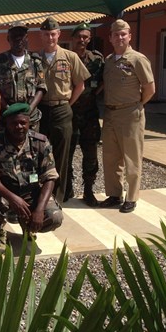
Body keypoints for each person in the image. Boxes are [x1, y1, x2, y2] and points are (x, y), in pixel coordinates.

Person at [0, 103, 63, 251]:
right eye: (14, 123)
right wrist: (13, 199)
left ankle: (28, 227)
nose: (19, 126)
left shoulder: (40, 142)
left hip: (31, 193)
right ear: (6, 124)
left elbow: (50, 177)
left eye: (22, 123)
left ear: (29, 122)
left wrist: (39, 210)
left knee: (55, 217)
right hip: (5, 193)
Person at [100, 19, 155, 213]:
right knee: (111, 156)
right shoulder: (108, 61)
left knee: (132, 157)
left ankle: (131, 198)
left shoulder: (138, 59)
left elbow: (150, 88)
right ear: (111, 38)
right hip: (110, 113)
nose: (120, 37)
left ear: (129, 36)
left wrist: (138, 104)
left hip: (130, 113)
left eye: (123, 34)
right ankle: (114, 194)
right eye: (116, 34)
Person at [38, 17, 90, 204]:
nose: (50, 38)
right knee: (40, 153)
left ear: (58, 34)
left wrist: (68, 103)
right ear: (41, 36)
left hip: (62, 109)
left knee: (61, 156)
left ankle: (57, 198)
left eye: (53, 34)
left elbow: (80, 85)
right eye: (46, 34)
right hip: (42, 110)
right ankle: (40, 194)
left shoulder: (70, 57)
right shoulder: (36, 58)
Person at [65, 22, 104, 206]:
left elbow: (104, 80)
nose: (82, 40)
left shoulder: (97, 59)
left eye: (85, 37)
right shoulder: (65, 58)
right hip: (69, 113)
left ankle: (88, 190)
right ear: (72, 38)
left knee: (90, 154)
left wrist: (94, 93)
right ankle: (67, 188)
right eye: (79, 36)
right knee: (67, 153)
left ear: (89, 39)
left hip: (89, 114)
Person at [0, 22, 47, 133]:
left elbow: (41, 88)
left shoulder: (35, 61)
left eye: (21, 36)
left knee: (32, 149)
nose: (18, 40)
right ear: (8, 39)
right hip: (7, 118)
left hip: (31, 119)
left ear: (26, 38)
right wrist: (9, 110)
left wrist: (29, 109)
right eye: (14, 36)